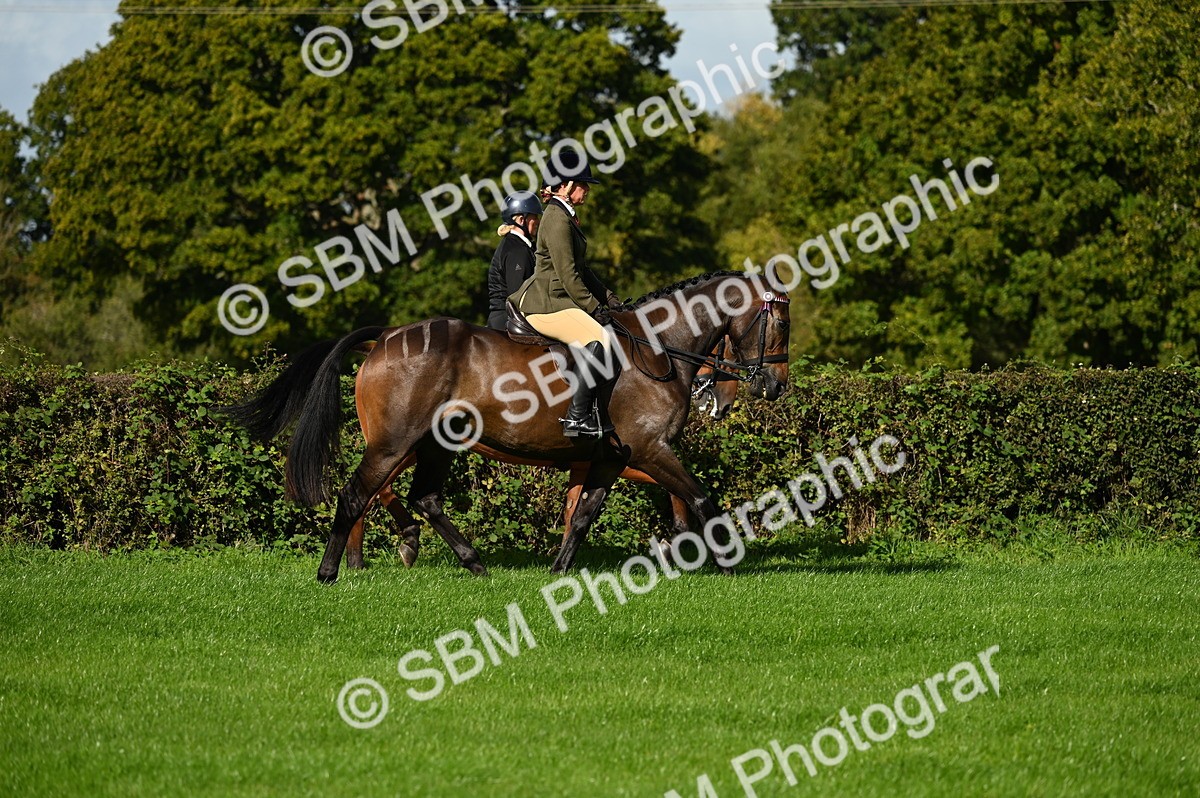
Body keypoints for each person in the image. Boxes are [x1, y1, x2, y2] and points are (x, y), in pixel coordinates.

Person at [510, 148, 628, 438]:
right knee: (599, 338)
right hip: (548, 302)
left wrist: (610, 299)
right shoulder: (556, 218)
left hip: (561, 297)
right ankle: (576, 417)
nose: (586, 189)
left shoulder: (566, 215)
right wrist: (593, 308)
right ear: (565, 186)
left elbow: (583, 270)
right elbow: (567, 274)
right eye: (582, 184)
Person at [486, 191, 543, 331]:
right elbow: (518, 294)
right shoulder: (517, 250)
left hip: (511, 315)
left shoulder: (523, 245)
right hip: (508, 318)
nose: (537, 221)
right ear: (521, 220)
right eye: (534, 217)